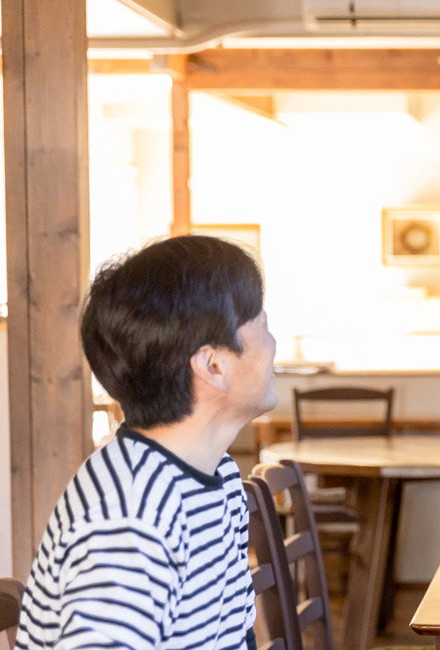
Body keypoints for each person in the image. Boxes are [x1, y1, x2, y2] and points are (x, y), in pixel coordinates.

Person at [15, 236, 276, 650]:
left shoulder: (219, 472)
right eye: (261, 322)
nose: (273, 343)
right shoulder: (132, 512)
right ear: (213, 365)